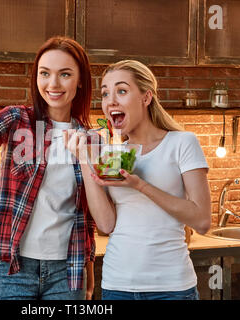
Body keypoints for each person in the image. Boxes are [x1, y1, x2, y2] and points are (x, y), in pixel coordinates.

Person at [0, 36, 96, 300]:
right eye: (45, 73)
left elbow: (86, 216)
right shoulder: (17, 119)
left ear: (80, 80)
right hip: (12, 267)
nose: (53, 84)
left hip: (67, 271)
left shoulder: (90, 138)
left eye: (65, 74)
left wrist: (88, 275)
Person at [66, 60, 211, 300]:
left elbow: (203, 221)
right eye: (105, 93)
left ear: (146, 98)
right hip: (117, 285)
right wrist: (84, 159)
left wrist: (140, 185)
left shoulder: (182, 143)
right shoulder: (112, 153)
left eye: (122, 91)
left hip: (171, 288)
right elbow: (106, 224)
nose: (111, 100)